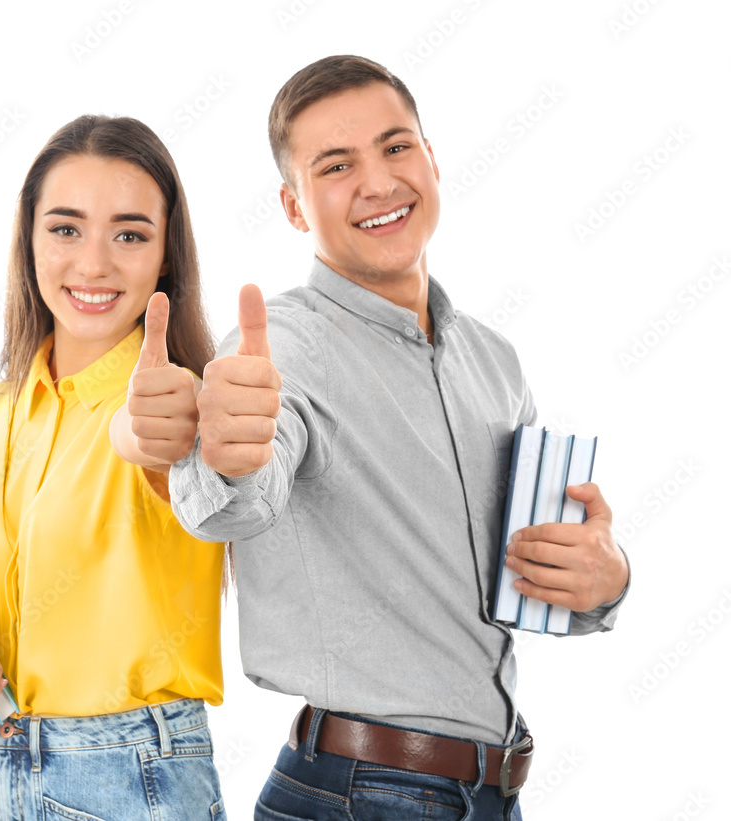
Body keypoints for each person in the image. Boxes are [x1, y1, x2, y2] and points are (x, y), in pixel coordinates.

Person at [169, 55, 630, 820]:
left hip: (490, 792)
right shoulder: (278, 347)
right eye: (336, 166)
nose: (378, 183)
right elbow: (231, 506)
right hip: (361, 792)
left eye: (395, 147)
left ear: (433, 160)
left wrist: (603, 581)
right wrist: (224, 455)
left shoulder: (495, 360)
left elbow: (522, 586)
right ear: (293, 206)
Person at [0, 114, 227, 821]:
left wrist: (188, 414)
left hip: (137, 777)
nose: (94, 264)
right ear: (29, 240)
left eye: (129, 234)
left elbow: (164, 438)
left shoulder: (181, 404)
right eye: (66, 229)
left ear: (166, 254)